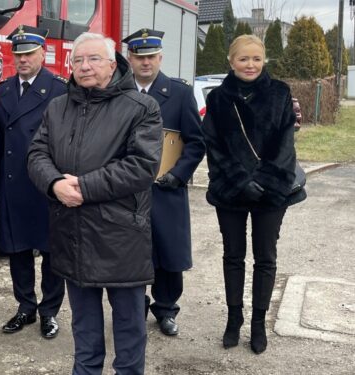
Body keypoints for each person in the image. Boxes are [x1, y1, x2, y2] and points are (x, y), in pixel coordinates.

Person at [27, 33, 162, 374]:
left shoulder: (141, 107)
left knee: (129, 331)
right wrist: (54, 183)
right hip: (72, 235)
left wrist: (83, 187)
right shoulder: (58, 107)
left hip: (121, 237)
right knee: (85, 332)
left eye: (93, 59)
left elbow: (142, 166)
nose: (84, 67)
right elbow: (36, 154)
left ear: (113, 63)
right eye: (78, 61)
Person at [202, 34, 306, 354]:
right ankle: (234, 320)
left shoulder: (280, 93)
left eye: (256, 59)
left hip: (271, 192)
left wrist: (264, 181)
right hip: (230, 191)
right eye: (244, 59)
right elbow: (214, 145)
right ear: (231, 62)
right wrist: (239, 180)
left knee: (265, 257)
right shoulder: (219, 98)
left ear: (264, 61)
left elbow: (285, 144)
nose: (251, 65)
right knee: (233, 256)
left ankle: (259, 324)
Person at [123, 28, 205, 336]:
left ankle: (167, 308)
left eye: (151, 57)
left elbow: (196, 142)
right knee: (131, 252)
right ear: (130, 59)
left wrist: (178, 174)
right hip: (128, 189)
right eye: (139, 57)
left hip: (166, 189)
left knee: (168, 254)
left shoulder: (180, 93)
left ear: (161, 58)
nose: (146, 63)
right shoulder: (118, 93)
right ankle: (134, 306)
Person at [0, 25, 66, 339]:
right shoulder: (3, 91)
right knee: (18, 249)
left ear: (43, 53)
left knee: (51, 253)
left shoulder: (60, 89)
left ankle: (49, 312)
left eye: (29, 53)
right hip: (13, 184)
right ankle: (25, 307)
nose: (22, 60)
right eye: (17, 54)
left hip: (46, 183)